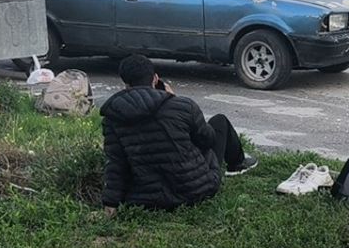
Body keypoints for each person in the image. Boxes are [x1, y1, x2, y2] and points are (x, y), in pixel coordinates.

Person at [100, 54, 257, 214]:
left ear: (125, 84)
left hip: (148, 199)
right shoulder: (182, 105)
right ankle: (238, 164)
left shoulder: (113, 117)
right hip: (197, 190)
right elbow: (208, 140)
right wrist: (173, 99)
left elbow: (116, 164)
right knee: (219, 122)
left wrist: (110, 203)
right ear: (155, 79)